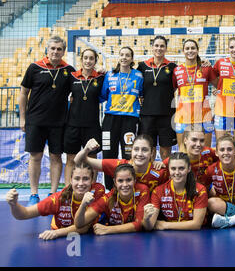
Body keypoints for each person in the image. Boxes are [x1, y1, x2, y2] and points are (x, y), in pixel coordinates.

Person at [19, 36, 76, 205]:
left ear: (63, 51)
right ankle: (34, 194)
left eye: (59, 49)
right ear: (47, 49)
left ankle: (53, 194)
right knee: (35, 156)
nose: (55, 52)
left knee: (56, 157)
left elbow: (79, 88)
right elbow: (23, 93)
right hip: (35, 121)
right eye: (52, 48)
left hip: (59, 123)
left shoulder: (69, 70)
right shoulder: (34, 67)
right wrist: (23, 118)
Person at [5, 162, 104, 240]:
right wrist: (13, 204)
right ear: (71, 180)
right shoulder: (57, 199)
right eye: (77, 179)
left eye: (85, 179)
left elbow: (84, 227)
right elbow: (24, 214)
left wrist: (56, 233)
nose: (81, 183)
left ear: (92, 181)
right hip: (62, 237)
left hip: (85, 235)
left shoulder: (98, 191)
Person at [99, 46, 144, 190]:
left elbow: (142, 94)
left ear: (132, 59)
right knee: (108, 153)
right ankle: (109, 188)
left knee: (127, 153)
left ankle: (127, 186)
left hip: (129, 119)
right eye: (122, 55)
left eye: (127, 55)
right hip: (110, 119)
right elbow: (103, 95)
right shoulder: (110, 75)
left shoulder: (139, 75)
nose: (124, 57)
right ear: (119, 57)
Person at [64, 48, 104, 185]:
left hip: (92, 126)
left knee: (92, 159)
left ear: (95, 61)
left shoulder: (100, 77)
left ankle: (92, 188)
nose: (88, 61)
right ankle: (68, 190)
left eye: (91, 58)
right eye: (85, 58)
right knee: (71, 159)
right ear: (81, 60)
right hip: (73, 125)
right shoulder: (72, 76)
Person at [74, 163, 150, 235]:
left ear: (135, 180)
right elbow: (79, 224)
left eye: (128, 180)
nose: (125, 184)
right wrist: (83, 205)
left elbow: (140, 224)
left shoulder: (142, 191)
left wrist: (109, 229)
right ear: (115, 182)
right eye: (120, 181)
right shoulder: (108, 198)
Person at [74, 135, 168, 193]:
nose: (139, 154)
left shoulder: (159, 171)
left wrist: (163, 163)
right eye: (136, 149)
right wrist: (86, 149)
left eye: (144, 150)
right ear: (131, 151)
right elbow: (78, 161)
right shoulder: (120, 165)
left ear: (152, 153)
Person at [142, 152, 208, 231]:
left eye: (181, 168)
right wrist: (146, 218)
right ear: (168, 169)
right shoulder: (158, 191)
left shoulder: (200, 190)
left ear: (189, 169)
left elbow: (196, 224)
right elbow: (150, 226)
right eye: (173, 168)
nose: (177, 173)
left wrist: (165, 225)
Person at [137, 36, 178, 161]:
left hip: (167, 114)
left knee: (166, 151)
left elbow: (177, 86)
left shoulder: (172, 67)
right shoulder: (142, 66)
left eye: (162, 46)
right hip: (147, 115)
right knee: (149, 149)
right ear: (152, 47)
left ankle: (165, 177)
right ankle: (149, 177)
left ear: (166, 48)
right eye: (156, 45)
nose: (159, 48)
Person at [173, 39, 218, 150]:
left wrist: (218, 92)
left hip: (204, 116)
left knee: (205, 152)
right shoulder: (177, 71)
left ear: (197, 50)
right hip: (183, 117)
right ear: (183, 51)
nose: (190, 51)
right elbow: (171, 89)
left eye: (193, 48)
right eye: (187, 48)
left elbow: (219, 85)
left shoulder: (206, 68)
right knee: (183, 151)